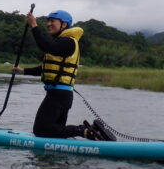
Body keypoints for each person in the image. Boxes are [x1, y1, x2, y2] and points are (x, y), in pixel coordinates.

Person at [13, 10, 114, 141]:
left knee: (41, 129)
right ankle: (85, 136)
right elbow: (46, 69)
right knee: (55, 134)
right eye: (48, 21)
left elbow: (45, 45)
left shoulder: (68, 42)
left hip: (58, 95)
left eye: (52, 21)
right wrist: (23, 71)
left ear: (64, 25)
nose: (49, 24)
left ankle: (84, 130)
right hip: (61, 95)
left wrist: (33, 25)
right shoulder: (61, 42)